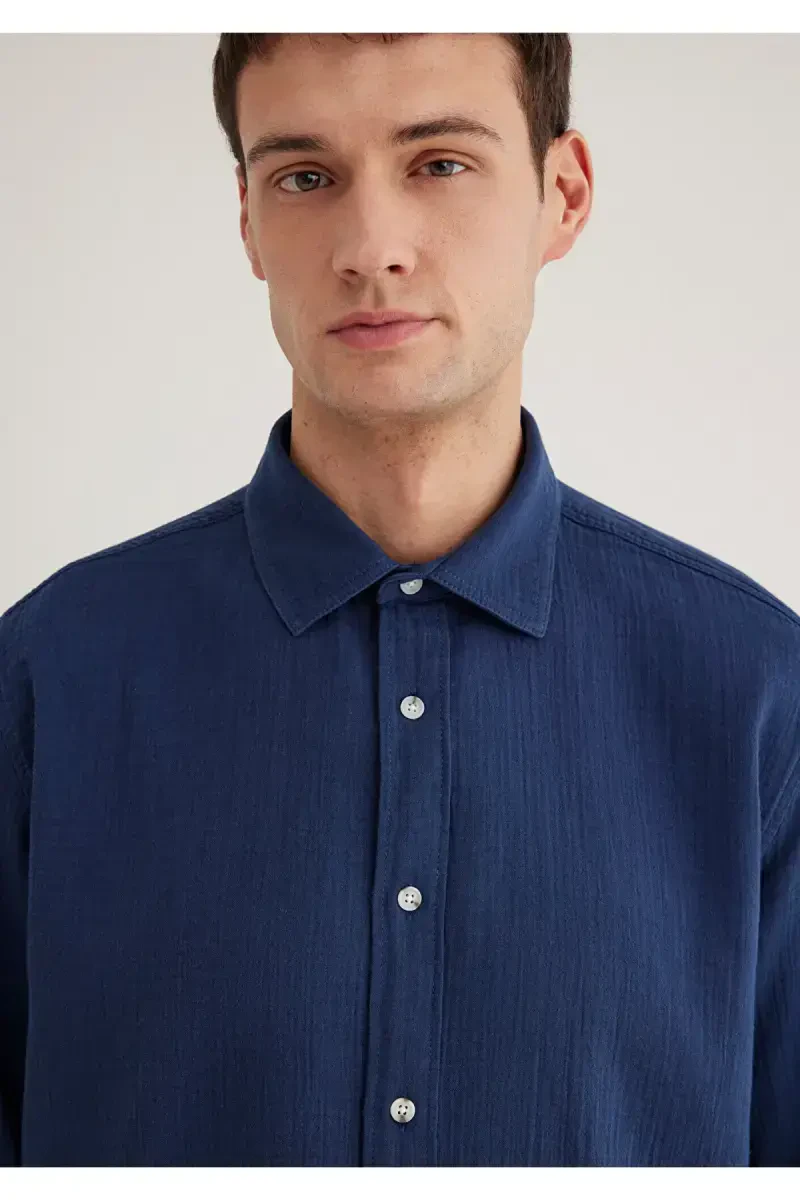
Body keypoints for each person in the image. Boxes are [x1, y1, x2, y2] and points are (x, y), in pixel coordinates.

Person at [0, 32, 798, 1168]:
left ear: (562, 194)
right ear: (248, 222)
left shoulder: (760, 697)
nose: (370, 248)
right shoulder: (47, 680)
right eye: (305, 177)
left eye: (440, 163)